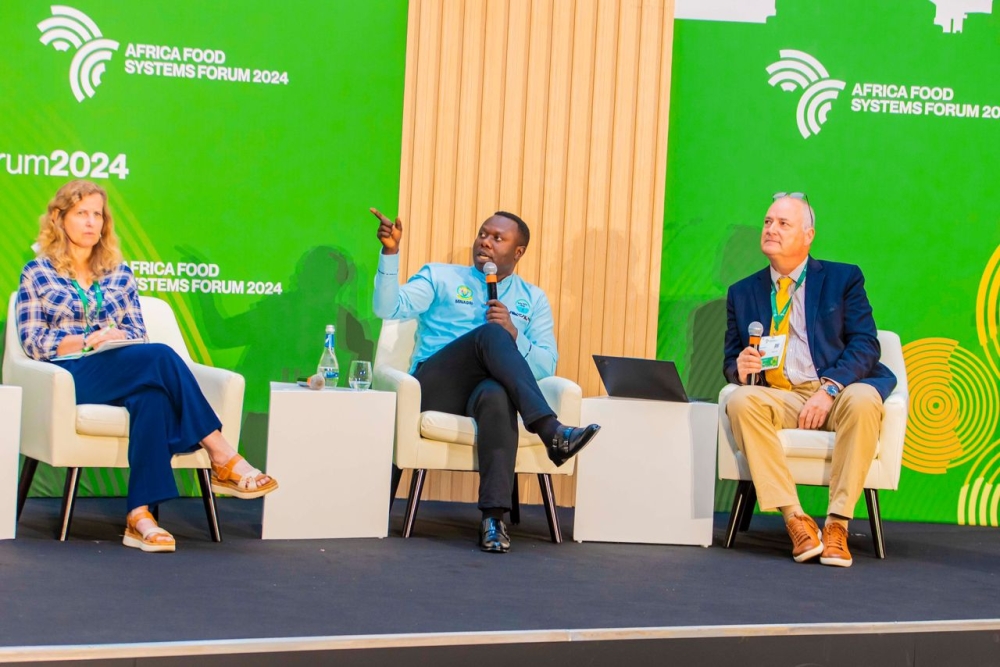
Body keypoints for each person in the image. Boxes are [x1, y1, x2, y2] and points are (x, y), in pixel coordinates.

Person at [16, 180, 278, 553]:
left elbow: (137, 330)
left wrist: (114, 337)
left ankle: (140, 518)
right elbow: (33, 341)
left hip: (120, 365)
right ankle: (221, 454)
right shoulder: (37, 272)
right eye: (81, 213)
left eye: (97, 215)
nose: (92, 222)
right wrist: (88, 340)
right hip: (71, 375)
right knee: (161, 356)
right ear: (59, 218)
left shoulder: (118, 273)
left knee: (152, 395)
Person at [370, 207, 600, 553]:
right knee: (490, 337)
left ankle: (494, 519)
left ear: (518, 251)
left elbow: (545, 365)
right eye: (482, 234)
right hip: (435, 387)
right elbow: (387, 309)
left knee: (496, 393)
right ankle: (551, 431)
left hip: (482, 394)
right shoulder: (440, 276)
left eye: (497, 238)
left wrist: (515, 333)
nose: (485, 242)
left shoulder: (532, 299)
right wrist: (390, 253)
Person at [723, 193, 896, 567]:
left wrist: (830, 389)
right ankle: (795, 518)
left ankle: (837, 523)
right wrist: (741, 365)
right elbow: (730, 360)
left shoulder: (842, 278)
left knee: (866, 400)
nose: (771, 229)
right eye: (768, 222)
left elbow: (866, 343)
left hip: (838, 391)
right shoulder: (743, 292)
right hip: (781, 394)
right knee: (738, 401)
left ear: (808, 235)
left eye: (783, 224)